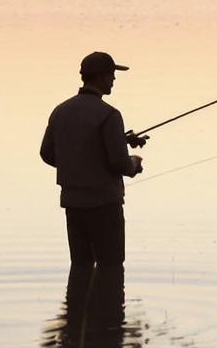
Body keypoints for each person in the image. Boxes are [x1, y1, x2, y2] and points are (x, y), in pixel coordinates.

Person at [39, 50, 146, 269]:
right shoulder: (109, 114)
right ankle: (110, 303)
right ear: (100, 77)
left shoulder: (61, 111)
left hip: (73, 204)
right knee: (111, 265)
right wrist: (134, 162)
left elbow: (47, 153)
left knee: (81, 265)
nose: (114, 79)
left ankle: (77, 302)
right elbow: (120, 163)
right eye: (111, 74)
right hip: (105, 206)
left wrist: (80, 161)